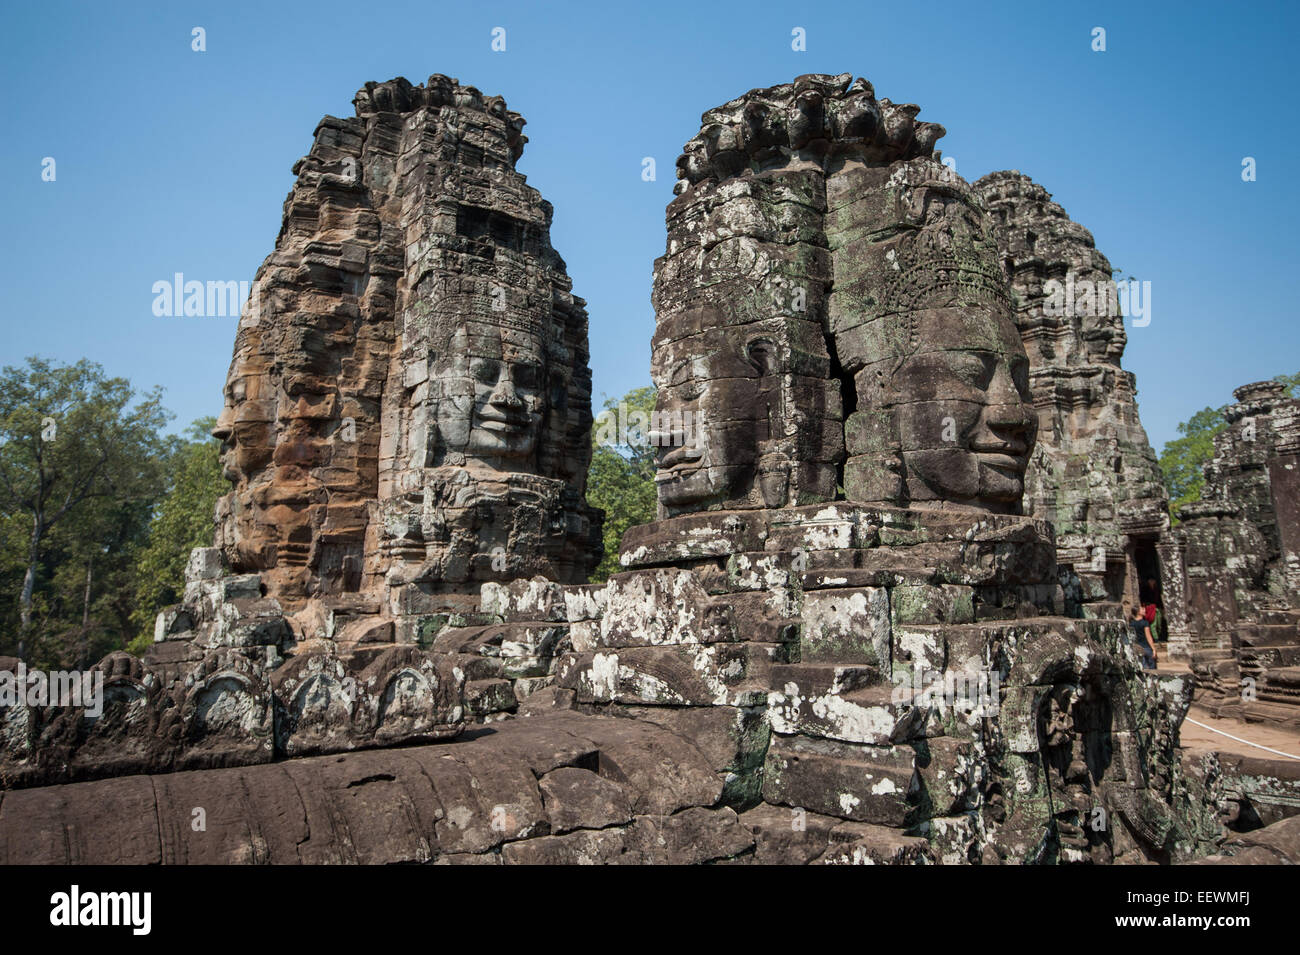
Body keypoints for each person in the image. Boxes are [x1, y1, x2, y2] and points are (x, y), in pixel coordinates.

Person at [1130, 604, 1157, 670]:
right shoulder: (1145, 623)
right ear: (1138, 612)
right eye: (1142, 609)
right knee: (1152, 669)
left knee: (1142, 669)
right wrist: (1153, 649)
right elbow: (1148, 637)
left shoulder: (1131, 624)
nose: (1145, 610)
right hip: (1146, 647)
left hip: (1137, 648)